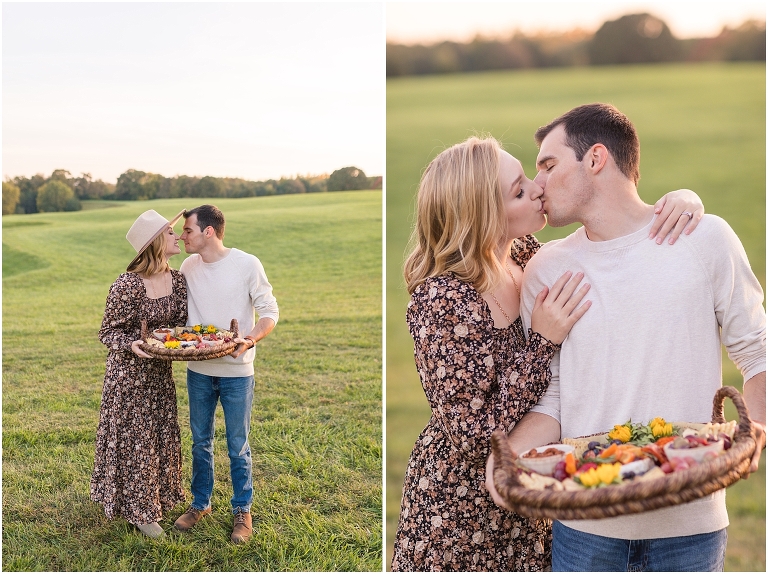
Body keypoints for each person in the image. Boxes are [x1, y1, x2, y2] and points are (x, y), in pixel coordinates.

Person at [390, 136, 703, 571]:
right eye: (519, 191)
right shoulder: (443, 300)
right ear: (482, 217)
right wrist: (541, 342)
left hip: (537, 482)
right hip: (461, 508)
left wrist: (680, 201)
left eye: (528, 176)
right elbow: (472, 433)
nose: (538, 188)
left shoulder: (526, 256)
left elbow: (611, 242)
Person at [486, 103, 766, 572]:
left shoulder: (704, 238)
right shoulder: (547, 268)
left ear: (596, 159)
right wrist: (507, 460)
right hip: (584, 531)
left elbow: (756, 353)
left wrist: (751, 442)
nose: (538, 185)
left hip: (690, 529)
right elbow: (553, 397)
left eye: (549, 165)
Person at [172, 204, 279, 544]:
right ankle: (200, 503)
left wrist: (249, 340)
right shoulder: (188, 266)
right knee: (200, 442)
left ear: (208, 231)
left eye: (187, 230)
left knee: (237, 445)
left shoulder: (247, 263)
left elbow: (270, 312)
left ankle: (241, 511)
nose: (182, 236)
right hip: (198, 371)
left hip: (237, 373)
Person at [91, 209, 187, 538]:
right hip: (127, 377)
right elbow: (108, 333)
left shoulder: (178, 281)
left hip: (159, 376)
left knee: (158, 438)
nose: (177, 236)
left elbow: (183, 326)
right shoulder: (127, 284)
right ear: (156, 242)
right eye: (170, 232)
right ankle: (141, 514)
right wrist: (133, 344)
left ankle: (152, 502)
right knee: (136, 442)